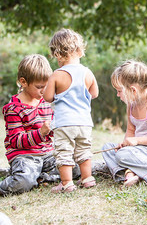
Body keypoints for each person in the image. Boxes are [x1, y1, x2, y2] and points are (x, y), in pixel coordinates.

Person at [0, 54, 57, 203]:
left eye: (47, 86)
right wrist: (41, 133)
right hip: (25, 157)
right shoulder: (14, 109)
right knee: (23, 180)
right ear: (23, 82)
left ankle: (39, 177)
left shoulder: (46, 103)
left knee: (71, 167)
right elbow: (16, 141)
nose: (44, 91)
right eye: (39, 87)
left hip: (47, 154)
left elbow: (52, 132)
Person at [102, 60, 147, 187]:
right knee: (107, 148)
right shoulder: (131, 105)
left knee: (122, 155)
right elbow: (130, 130)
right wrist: (126, 144)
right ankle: (129, 173)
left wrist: (135, 141)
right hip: (139, 150)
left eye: (119, 91)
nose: (117, 94)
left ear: (133, 90)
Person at [44, 28, 99, 193]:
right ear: (80, 51)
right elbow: (94, 93)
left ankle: (67, 183)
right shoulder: (87, 73)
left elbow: (47, 97)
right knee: (83, 150)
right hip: (84, 122)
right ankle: (87, 178)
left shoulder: (57, 74)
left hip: (64, 123)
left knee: (64, 152)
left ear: (57, 55)